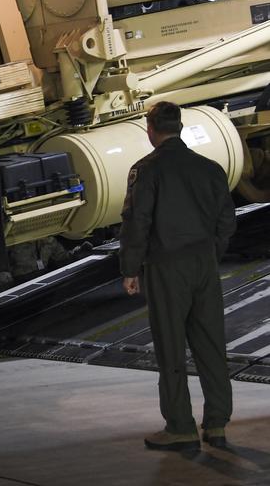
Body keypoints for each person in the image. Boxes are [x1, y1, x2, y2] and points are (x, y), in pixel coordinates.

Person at [119, 101, 236, 451]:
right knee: (211, 345)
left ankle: (180, 426)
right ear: (181, 127)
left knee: (171, 347)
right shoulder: (210, 169)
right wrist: (211, 253)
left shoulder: (146, 170)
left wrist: (130, 268)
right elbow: (227, 220)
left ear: (151, 129)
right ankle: (217, 425)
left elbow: (137, 223)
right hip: (204, 264)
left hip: (167, 266)